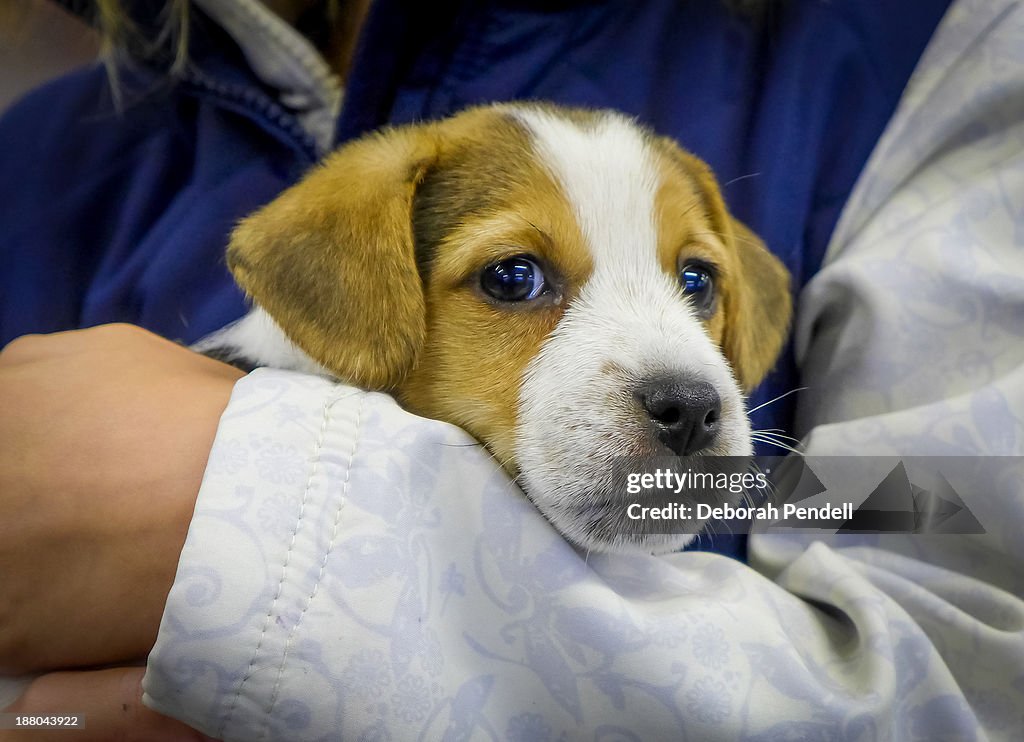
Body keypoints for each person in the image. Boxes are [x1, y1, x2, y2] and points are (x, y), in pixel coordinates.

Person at [2, 0, 1023, 739]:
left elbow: (947, 570)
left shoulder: (925, 44)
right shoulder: (45, 165)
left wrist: (256, 517)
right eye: (517, 276)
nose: (688, 379)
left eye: (694, 281)